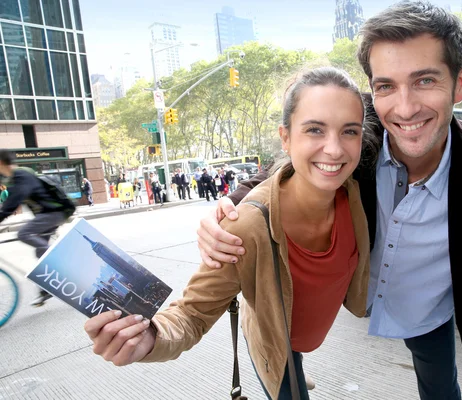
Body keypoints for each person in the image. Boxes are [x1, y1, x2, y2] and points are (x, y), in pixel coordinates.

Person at [196, 3, 462, 399]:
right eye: (386, 85)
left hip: (426, 312)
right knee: (286, 367)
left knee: (442, 390)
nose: (404, 108)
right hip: (329, 297)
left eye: (425, 81)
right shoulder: (354, 133)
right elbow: (293, 160)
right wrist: (233, 206)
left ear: (461, 83)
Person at [83, 67, 374, 400]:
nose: (335, 149)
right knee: (288, 376)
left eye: (349, 131)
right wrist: (150, 337)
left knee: (297, 357)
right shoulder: (247, 227)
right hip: (271, 341)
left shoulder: (356, 192)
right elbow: (191, 313)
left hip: (309, 333)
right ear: (285, 137)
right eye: (314, 130)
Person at [0, 150, 76, 306]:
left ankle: (55, 257)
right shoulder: (17, 177)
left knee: (24, 233)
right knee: (39, 251)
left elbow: (12, 203)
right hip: (49, 214)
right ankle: (46, 290)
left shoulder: (20, 176)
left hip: (54, 212)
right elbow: (11, 204)